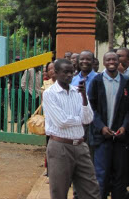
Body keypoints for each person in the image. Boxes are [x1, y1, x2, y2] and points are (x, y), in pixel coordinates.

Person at [43, 58, 100, 199]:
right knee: (59, 192)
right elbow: (62, 121)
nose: (69, 75)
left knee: (91, 190)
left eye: (72, 72)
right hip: (60, 147)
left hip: (81, 146)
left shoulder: (78, 92)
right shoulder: (50, 94)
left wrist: (84, 99)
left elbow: (88, 119)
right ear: (55, 73)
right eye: (65, 72)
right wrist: (78, 118)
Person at [88, 51, 129, 199]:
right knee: (102, 175)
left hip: (120, 138)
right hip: (102, 138)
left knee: (120, 176)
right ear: (103, 62)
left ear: (119, 62)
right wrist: (101, 127)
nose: (111, 61)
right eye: (108, 59)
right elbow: (91, 107)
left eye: (114, 59)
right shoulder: (97, 81)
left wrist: (124, 126)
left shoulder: (126, 82)